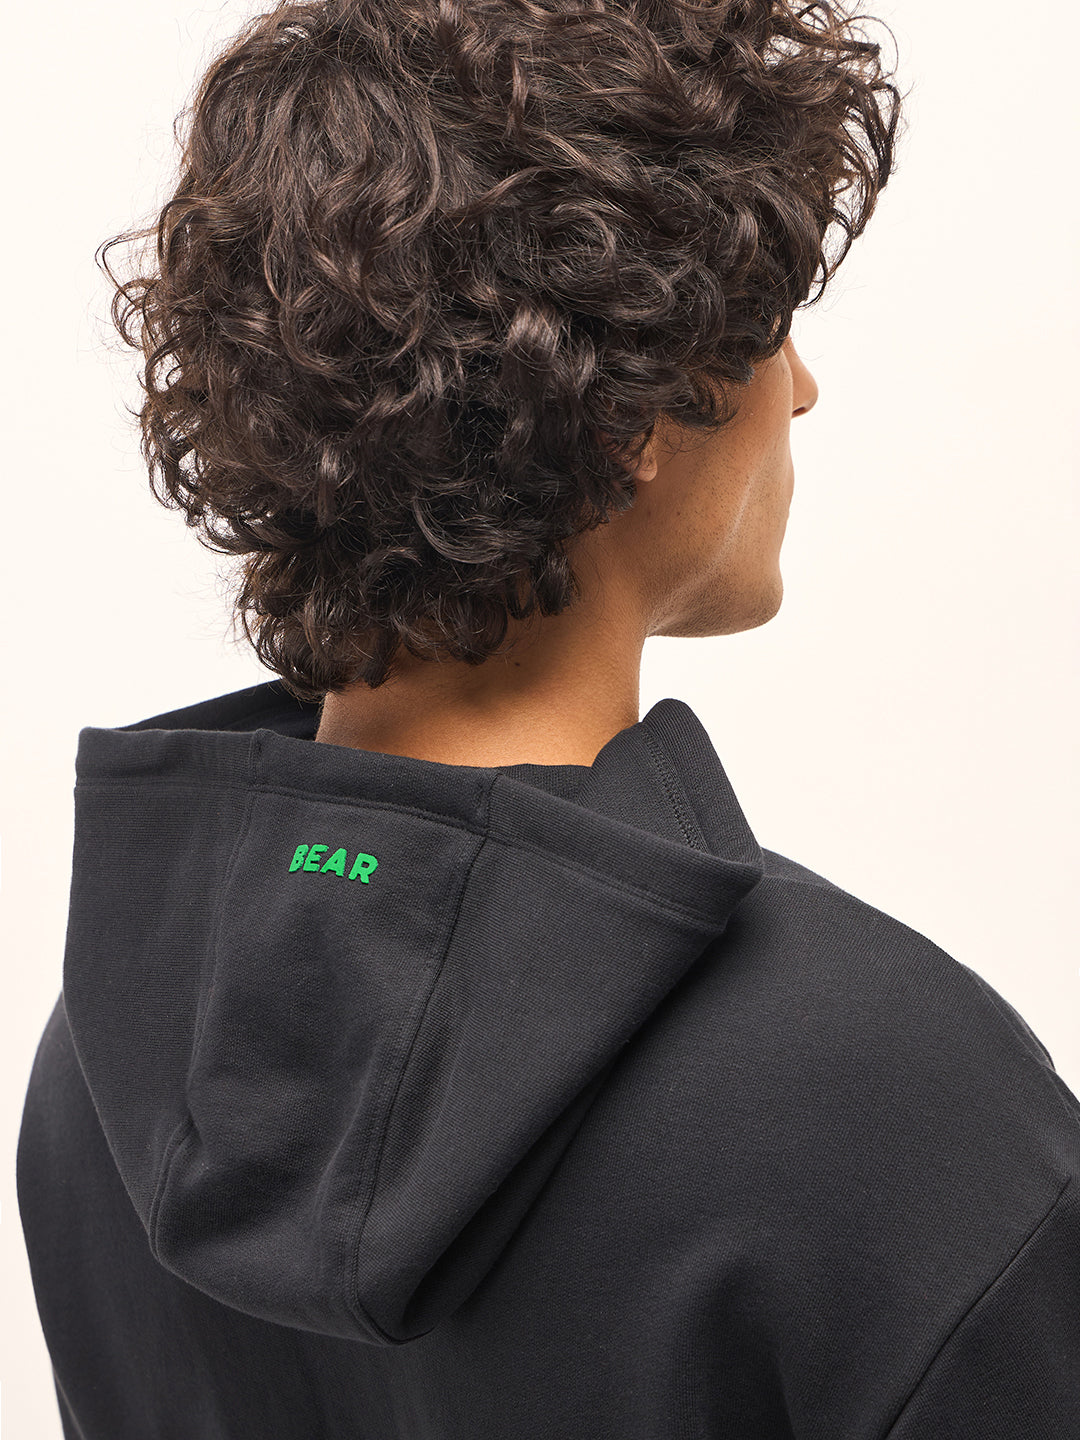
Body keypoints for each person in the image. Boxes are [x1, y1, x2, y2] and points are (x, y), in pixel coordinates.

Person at [16, 0, 1079, 1436]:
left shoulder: (119, 1071)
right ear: (633, 413)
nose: (804, 391)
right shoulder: (902, 1118)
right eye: (771, 331)